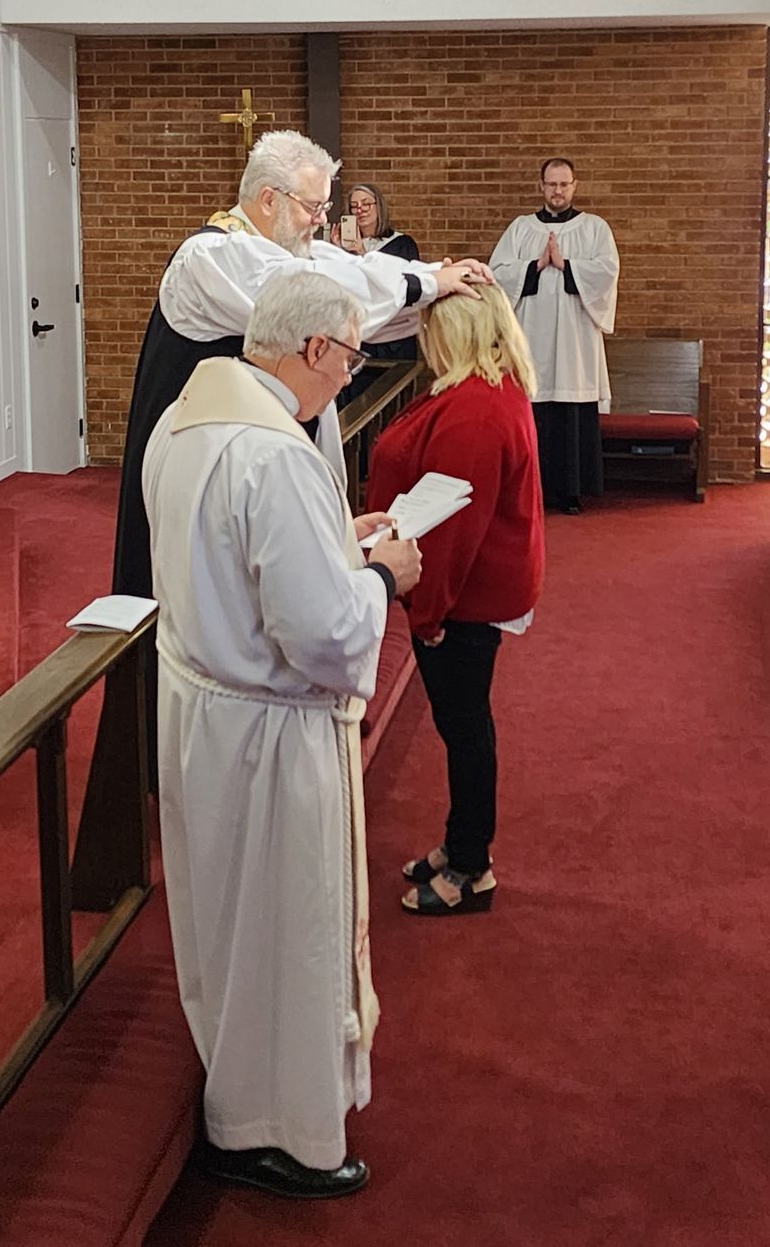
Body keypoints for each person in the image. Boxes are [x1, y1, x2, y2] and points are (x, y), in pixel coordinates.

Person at [72, 132, 491, 902]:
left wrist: (433, 281)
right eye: (311, 206)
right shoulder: (211, 257)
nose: (321, 222)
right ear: (267, 199)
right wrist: (425, 281)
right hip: (204, 479)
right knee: (204, 624)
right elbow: (312, 301)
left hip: (245, 476)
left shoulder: (285, 254)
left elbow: (342, 276)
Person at [143, 275, 422, 1198]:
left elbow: (226, 554)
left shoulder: (182, 423)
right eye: (346, 359)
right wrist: (383, 575)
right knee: (281, 930)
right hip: (268, 733)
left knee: (225, 925)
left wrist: (336, 537)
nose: (346, 379)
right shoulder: (277, 455)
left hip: (201, 714)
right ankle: (277, 1133)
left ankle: (238, 1102)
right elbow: (327, 636)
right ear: (310, 351)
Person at [367, 284, 544, 916]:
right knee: (463, 726)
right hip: (464, 591)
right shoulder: (475, 390)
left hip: (462, 599)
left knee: (466, 729)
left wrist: (428, 612)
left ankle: (473, 866)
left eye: (431, 328)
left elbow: (451, 529)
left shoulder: (474, 410)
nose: (423, 340)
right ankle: (460, 843)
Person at [489, 157, 620, 514]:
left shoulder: (594, 229)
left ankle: (571, 492)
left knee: (570, 410)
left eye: (564, 184)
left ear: (574, 186)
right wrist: (535, 266)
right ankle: (531, 491)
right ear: (541, 186)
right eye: (551, 184)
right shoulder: (520, 228)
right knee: (534, 410)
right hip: (532, 336)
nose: (557, 191)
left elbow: (608, 272)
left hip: (576, 340)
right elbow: (496, 272)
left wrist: (567, 266)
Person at [332, 182, 422, 376]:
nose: (360, 210)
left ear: (378, 206)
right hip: (358, 337)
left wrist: (362, 252)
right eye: (354, 207)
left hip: (392, 337)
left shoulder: (402, 244)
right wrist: (338, 252)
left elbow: (395, 286)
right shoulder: (344, 250)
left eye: (366, 204)